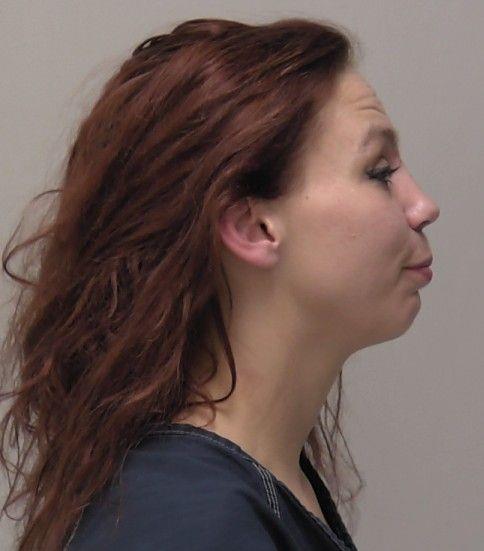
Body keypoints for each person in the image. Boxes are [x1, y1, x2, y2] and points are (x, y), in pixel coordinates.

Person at [0, 16, 439, 551]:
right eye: (379, 171)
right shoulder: (192, 523)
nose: (423, 206)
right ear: (253, 227)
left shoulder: (244, 489)